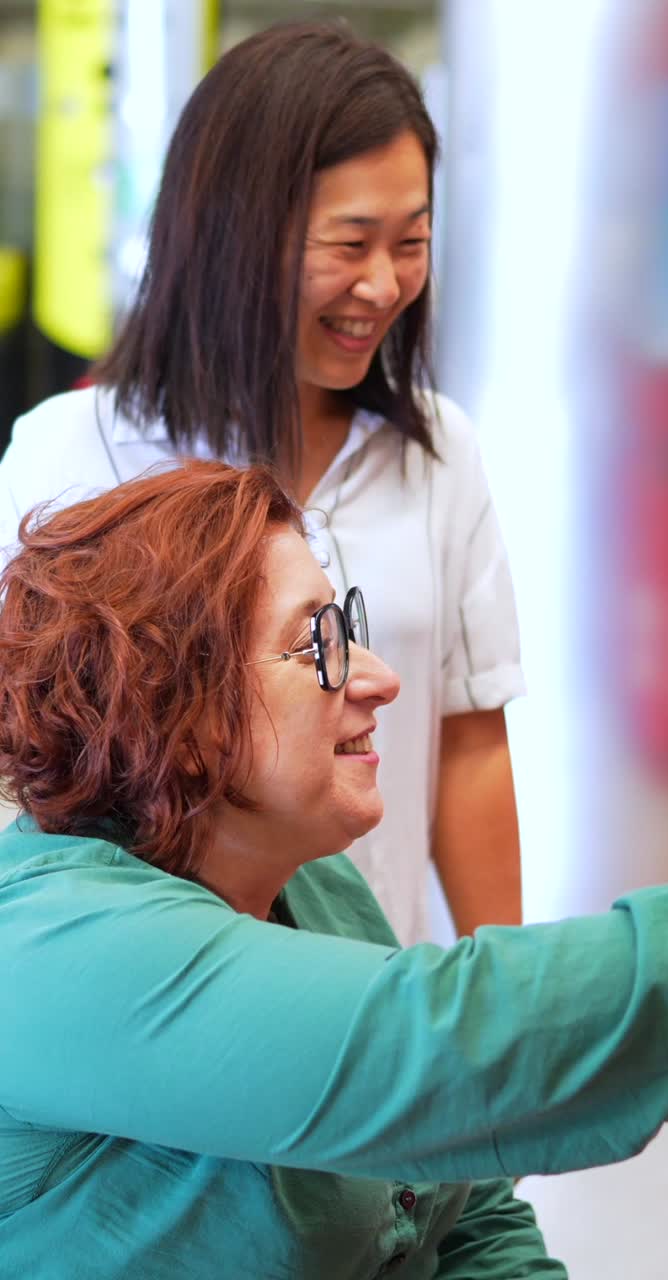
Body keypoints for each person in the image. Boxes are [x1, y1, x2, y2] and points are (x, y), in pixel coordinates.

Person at [1, 459, 668, 1280]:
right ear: (178, 713)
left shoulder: (312, 883)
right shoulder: (46, 947)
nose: (381, 677)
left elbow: (462, 1202)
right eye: (318, 645)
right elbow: (433, 1050)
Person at [0, 19, 524, 946]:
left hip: (364, 1001)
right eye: (349, 242)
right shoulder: (68, 457)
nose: (384, 284)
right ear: (235, 234)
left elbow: (469, 749)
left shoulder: (438, 452)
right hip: (148, 998)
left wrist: (512, 1005)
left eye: (412, 241)